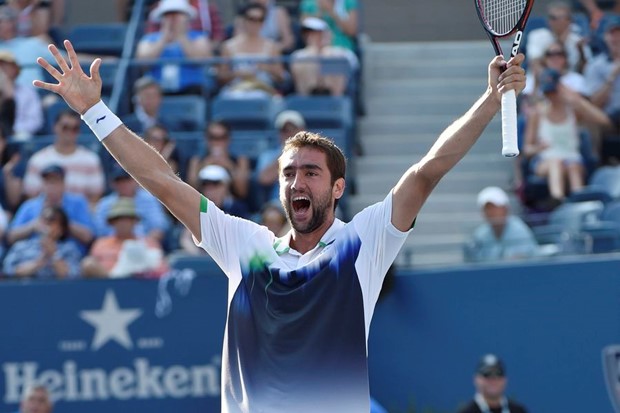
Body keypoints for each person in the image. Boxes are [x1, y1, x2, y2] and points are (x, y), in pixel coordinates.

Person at [33, 39, 526, 413]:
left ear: (336, 188)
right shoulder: (245, 245)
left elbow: (426, 171)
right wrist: (94, 111)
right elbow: (161, 181)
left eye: (311, 172)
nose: (296, 182)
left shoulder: (363, 244)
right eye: (289, 172)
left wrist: (489, 100)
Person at [524, 68, 611, 202]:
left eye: (554, 91)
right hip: (546, 160)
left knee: (572, 166)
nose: (551, 96)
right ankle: (557, 199)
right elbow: (527, 149)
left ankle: (580, 200)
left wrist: (577, 100)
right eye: (548, 92)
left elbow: (604, 121)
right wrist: (538, 148)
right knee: (556, 162)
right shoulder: (537, 113)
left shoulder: (573, 110)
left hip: (572, 158)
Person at [22, 110, 105, 205]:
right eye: (65, 127)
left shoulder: (91, 160)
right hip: (46, 215)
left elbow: (94, 199)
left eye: (74, 128)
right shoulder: (38, 160)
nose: (69, 132)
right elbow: (31, 197)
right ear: (55, 127)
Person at [7, 164, 95, 251]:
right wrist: (33, 226)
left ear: (63, 183)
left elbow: (88, 237)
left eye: (55, 181)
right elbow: (11, 237)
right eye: (48, 182)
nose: (51, 186)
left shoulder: (77, 203)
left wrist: (62, 223)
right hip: (33, 253)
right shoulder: (29, 206)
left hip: (68, 255)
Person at [135, 0, 212, 95]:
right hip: (158, 92)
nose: (172, 18)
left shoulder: (199, 38)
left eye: (177, 14)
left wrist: (181, 36)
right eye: (168, 14)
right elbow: (143, 62)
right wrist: (163, 38)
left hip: (191, 90)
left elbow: (200, 60)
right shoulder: (149, 39)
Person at [81, 197, 168, 278]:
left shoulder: (149, 243)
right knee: (88, 263)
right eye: (118, 219)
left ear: (135, 221)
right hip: (105, 288)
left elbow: (163, 270)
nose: (123, 223)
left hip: (140, 288)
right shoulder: (100, 244)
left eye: (127, 219)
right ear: (112, 222)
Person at [217, 2, 286, 98]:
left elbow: (281, 77)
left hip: (263, 90)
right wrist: (237, 74)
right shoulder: (229, 46)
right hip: (235, 90)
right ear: (244, 20)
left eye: (260, 20)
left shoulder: (272, 46)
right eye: (252, 19)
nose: (255, 23)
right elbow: (221, 76)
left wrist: (266, 68)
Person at [179, 164, 251, 254]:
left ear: (226, 186)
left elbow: (244, 237)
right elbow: (186, 239)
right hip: (205, 258)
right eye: (206, 186)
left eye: (216, 185)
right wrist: (201, 256)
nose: (211, 191)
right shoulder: (197, 208)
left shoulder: (238, 208)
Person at [93, 164, 169, 244]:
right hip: (112, 246)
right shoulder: (104, 203)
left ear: (135, 180)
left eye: (126, 180)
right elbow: (99, 232)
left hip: (144, 245)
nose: (123, 184)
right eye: (119, 181)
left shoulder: (148, 199)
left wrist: (145, 246)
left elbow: (159, 227)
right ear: (112, 183)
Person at [3, 205, 83, 279]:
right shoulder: (21, 247)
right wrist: (38, 263)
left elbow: (72, 276)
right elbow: (8, 272)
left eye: (51, 220)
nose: (46, 223)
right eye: (43, 219)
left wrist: (54, 255)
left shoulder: (70, 249)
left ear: (61, 229)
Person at [465, 186, 539, 262]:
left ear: (506, 209)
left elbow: (518, 263)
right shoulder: (480, 234)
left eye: (495, 207)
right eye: (487, 208)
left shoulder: (519, 230)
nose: (491, 212)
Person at [290, 16, 358, 96]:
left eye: (319, 33)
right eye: (309, 34)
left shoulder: (342, 53)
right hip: (307, 97)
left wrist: (324, 53)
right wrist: (314, 52)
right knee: (304, 61)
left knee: (334, 58)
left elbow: (354, 66)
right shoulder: (298, 55)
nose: (315, 36)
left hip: (335, 98)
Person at [186, 120, 251, 199]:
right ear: (207, 139)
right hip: (203, 204)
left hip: (231, 206)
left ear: (229, 139)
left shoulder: (240, 160)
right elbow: (191, 191)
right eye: (213, 137)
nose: (217, 142)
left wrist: (229, 166)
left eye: (222, 137)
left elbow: (242, 192)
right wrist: (204, 165)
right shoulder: (196, 161)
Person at [525, 1, 591, 75]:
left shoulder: (577, 40)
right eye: (552, 17)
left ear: (569, 20)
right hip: (541, 80)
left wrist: (580, 51)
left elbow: (585, 70)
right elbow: (535, 64)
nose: (555, 21)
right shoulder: (537, 35)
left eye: (560, 17)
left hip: (569, 81)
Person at [255, 109, 306, 203]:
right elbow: (264, 179)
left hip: (308, 200)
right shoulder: (268, 155)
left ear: (302, 130)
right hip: (280, 204)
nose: (289, 134)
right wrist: (287, 153)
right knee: (272, 215)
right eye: (285, 130)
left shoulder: (313, 154)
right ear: (279, 133)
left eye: (293, 129)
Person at [457, 354, 529, 413]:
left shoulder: (519, 411)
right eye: (487, 375)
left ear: (505, 380)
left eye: (498, 374)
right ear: (476, 379)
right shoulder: (467, 411)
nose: (493, 380)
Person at [0, 50, 44, 139]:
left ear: (15, 69)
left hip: (19, 134)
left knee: (23, 137)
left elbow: (35, 121)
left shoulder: (28, 92)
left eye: (5, 67)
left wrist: (11, 130)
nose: (2, 71)